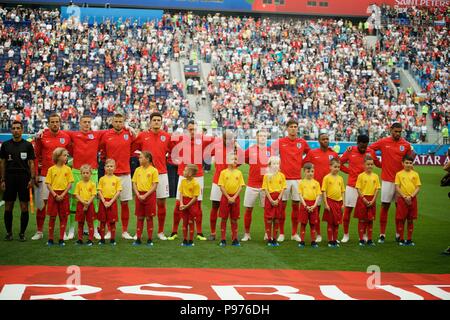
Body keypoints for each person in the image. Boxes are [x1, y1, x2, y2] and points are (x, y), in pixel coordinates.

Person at [168, 120, 215, 241]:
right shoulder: (180, 139)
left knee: (198, 205)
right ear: (186, 130)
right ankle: (174, 231)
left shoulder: (203, 139)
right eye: (190, 129)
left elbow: (216, 142)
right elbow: (167, 141)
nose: (192, 132)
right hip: (183, 175)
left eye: (194, 129)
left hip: (198, 176)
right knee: (179, 203)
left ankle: (199, 232)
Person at [132, 112, 172, 241]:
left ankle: (160, 231)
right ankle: (139, 232)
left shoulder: (166, 136)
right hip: (145, 175)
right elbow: (133, 149)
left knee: (161, 203)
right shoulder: (143, 135)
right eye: (154, 120)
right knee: (142, 203)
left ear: (161, 122)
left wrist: (168, 161)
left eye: (158, 120)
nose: (156, 122)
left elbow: (171, 152)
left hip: (161, 173)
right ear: (150, 122)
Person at [370, 122, 413, 243]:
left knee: (400, 208)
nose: (398, 134)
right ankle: (382, 234)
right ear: (391, 130)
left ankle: (399, 234)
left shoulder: (406, 145)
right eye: (396, 131)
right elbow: (371, 148)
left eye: (400, 132)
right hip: (387, 180)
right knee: (385, 206)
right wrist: (377, 163)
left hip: (401, 182)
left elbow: (409, 161)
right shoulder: (383, 141)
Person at [65, 115, 105, 241]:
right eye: (84, 122)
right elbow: (60, 131)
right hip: (77, 172)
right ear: (80, 123)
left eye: (88, 122)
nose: (87, 124)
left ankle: (94, 229)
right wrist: (43, 130)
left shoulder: (97, 134)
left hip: (92, 172)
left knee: (94, 201)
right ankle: (71, 229)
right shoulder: (73, 134)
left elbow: (112, 130)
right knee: (74, 201)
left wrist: (127, 128)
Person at [32, 113, 71, 241]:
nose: (55, 124)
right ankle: (39, 231)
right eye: (52, 122)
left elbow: (72, 153)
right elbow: (36, 156)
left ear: (60, 123)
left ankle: (62, 232)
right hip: (44, 175)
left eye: (57, 121)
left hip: (62, 178)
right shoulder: (42, 136)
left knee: (62, 208)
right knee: (41, 205)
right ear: (48, 124)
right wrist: (36, 174)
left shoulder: (66, 137)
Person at [271, 119, 311, 242]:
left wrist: (302, 164)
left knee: (296, 207)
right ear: (287, 128)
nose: (293, 128)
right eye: (291, 126)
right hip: (283, 179)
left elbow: (309, 154)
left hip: (297, 179)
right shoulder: (280, 142)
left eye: (295, 126)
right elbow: (271, 153)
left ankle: (294, 233)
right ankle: (282, 233)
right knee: (281, 207)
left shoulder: (302, 142)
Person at [99, 113, 135, 240]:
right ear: (112, 122)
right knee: (108, 203)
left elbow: (134, 148)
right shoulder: (106, 135)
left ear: (124, 122)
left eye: (121, 121)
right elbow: (102, 151)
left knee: (124, 203)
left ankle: (125, 231)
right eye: (116, 121)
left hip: (125, 173)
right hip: (110, 175)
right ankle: (109, 230)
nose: (118, 123)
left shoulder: (129, 134)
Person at [340, 134, 380, 243]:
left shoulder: (370, 151)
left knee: (366, 213)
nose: (364, 148)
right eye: (362, 146)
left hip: (367, 188)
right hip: (352, 185)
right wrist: (349, 171)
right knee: (348, 210)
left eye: (366, 146)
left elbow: (378, 163)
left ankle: (364, 235)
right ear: (357, 143)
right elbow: (339, 163)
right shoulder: (350, 150)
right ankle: (346, 234)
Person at [0, 121, 36, 241]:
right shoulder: (5, 145)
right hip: (9, 178)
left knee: (24, 206)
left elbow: (31, 163)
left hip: (23, 178)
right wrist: (2, 179)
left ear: (22, 130)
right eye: (14, 128)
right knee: (8, 206)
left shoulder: (28, 145)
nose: (16, 130)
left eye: (18, 128)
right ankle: (9, 233)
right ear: (11, 130)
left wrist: (32, 178)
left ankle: (22, 233)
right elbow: (3, 163)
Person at [208, 129, 244, 241]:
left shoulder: (236, 148)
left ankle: (234, 234)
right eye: (226, 138)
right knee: (215, 206)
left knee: (233, 208)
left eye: (231, 138)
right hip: (217, 181)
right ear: (222, 138)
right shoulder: (216, 146)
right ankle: (213, 233)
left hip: (232, 182)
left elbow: (241, 160)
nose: (229, 140)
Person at [302, 132, 338, 242]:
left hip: (330, 188)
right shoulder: (312, 153)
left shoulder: (333, 154)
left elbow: (339, 166)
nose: (326, 140)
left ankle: (332, 237)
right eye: (323, 139)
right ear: (319, 141)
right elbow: (303, 164)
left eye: (327, 139)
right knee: (316, 212)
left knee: (332, 212)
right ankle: (318, 235)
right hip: (316, 188)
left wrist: (353, 172)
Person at [242, 129, 271, 242]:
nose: (263, 137)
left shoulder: (270, 151)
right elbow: (243, 160)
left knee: (267, 210)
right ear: (257, 137)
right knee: (248, 209)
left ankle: (267, 233)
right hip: (252, 184)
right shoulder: (250, 150)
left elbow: (273, 165)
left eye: (264, 136)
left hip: (266, 185)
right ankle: (247, 234)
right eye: (261, 136)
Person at [45, 147, 74, 246]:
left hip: (64, 195)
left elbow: (70, 183)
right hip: (53, 195)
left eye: (67, 155)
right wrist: (55, 195)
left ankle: (61, 238)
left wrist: (63, 194)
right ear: (57, 156)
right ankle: (50, 239)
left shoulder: (68, 169)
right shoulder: (51, 169)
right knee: (52, 217)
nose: (66, 157)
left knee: (63, 217)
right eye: (64, 155)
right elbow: (48, 184)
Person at [218, 153, 246, 247]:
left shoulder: (239, 172)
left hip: (235, 198)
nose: (235, 161)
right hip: (225, 198)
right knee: (224, 218)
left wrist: (234, 197)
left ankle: (234, 239)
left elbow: (241, 186)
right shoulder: (223, 172)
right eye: (234, 159)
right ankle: (223, 239)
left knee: (234, 219)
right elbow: (221, 186)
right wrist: (228, 197)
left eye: (236, 159)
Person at [131, 151, 159, 247]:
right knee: (140, 217)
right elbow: (134, 183)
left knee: (149, 217)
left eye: (141, 157)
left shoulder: (153, 170)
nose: (139, 159)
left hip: (149, 196)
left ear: (147, 159)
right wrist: (138, 194)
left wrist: (145, 195)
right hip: (139, 196)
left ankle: (150, 239)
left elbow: (154, 185)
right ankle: (138, 238)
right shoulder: (137, 170)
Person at [394, 154, 421, 246]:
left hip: (412, 199)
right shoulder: (399, 174)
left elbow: (418, 187)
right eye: (406, 163)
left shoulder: (415, 174)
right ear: (402, 163)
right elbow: (397, 187)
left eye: (410, 163)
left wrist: (411, 196)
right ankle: (401, 239)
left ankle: (409, 239)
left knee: (410, 220)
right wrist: (405, 197)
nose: (408, 164)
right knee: (401, 220)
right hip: (402, 199)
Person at [355, 156, 380, 246]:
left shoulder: (376, 176)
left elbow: (377, 189)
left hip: (372, 200)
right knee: (361, 220)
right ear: (364, 165)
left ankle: (369, 239)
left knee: (370, 221)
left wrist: (373, 200)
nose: (370, 166)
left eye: (371, 164)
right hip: (363, 200)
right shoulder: (361, 176)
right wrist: (364, 199)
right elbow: (358, 189)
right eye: (368, 164)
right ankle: (361, 239)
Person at [262, 156, 286, 247]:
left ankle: (275, 239)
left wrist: (278, 199)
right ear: (270, 165)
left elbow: (283, 188)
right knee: (269, 219)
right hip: (270, 199)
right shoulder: (266, 176)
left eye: (277, 163)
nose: (276, 165)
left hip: (278, 199)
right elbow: (265, 189)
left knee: (276, 219)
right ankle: (269, 238)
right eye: (274, 164)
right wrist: (271, 200)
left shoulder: (282, 176)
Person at [97, 159, 122, 246]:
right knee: (102, 221)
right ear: (104, 168)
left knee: (112, 222)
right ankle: (102, 239)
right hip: (103, 202)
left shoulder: (117, 179)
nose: (109, 168)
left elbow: (118, 192)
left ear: (115, 168)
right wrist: (104, 201)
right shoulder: (102, 179)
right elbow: (99, 191)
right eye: (107, 166)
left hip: (112, 202)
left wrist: (111, 202)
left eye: (111, 166)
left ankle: (112, 239)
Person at [321, 158, 345, 248]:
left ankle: (335, 240)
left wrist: (343, 203)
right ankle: (330, 240)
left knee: (337, 223)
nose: (337, 168)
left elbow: (343, 191)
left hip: (339, 202)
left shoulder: (341, 178)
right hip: (330, 201)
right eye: (335, 166)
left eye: (338, 167)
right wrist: (326, 203)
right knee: (330, 222)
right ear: (330, 167)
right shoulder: (326, 178)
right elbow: (324, 191)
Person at [298, 162, 321, 248]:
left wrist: (314, 205)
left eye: (312, 171)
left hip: (313, 205)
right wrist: (305, 206)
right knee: (303, 224)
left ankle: (313, 241)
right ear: (304, 171)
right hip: (305, 205)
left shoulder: (316, 183)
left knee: (313, 224)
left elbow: (318, 195)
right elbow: (300, 195)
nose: (310, 173)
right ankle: (302, 241)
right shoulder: (301, 183)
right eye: (308, 171)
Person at [73, 164, 97, 246]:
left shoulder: (93, 184)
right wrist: (83, 203)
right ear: (81, 174)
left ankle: (90, 239)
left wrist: (87, 203)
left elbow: (93, 195)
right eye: (84, 173)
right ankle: (80, 239)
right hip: (80, 205)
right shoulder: (78, 184)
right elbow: (76, 194)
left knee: (90, 222)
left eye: (87, 173)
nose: (85, 174)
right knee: (80, 222)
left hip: (90, 204)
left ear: (91, 174)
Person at [178, 164, 200, 247]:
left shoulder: (195, 183)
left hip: (192, 204)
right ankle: (184, 239)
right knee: (184, 222)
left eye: (185, 170)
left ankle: (190, 240)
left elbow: (195, 197)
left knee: (191, 222)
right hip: (184, 202)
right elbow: (181, 193)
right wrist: (181, 203)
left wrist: (187, 205)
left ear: (190, 173)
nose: (183, 171)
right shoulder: (183, 181)